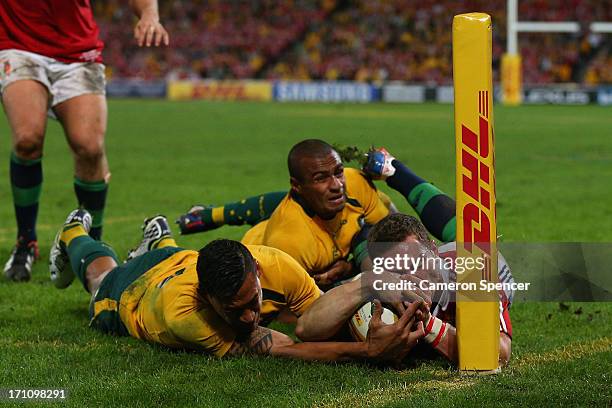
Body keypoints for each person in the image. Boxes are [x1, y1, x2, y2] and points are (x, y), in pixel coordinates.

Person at [48, 209, 425, 362]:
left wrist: (363, 289)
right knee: (100, 276)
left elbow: (315, 317)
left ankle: (159, 242)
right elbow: (287, 348)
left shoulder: (275, 262)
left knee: (177, 253)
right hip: (136, 293)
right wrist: (369, 351)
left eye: (253, 301)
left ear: (258, 271)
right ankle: (74, 234)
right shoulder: (184, 313)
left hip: (182, 260)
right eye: (234, 310)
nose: (250, 316)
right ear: (207, 298)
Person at [0, 0, 169, 281]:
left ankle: (91, 243)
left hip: (77, 52)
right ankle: (26, 242)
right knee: (27, 138)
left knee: (89, 148)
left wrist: (149, 14)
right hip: (19, 45)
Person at [177, 141, 456, 286]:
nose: (336, 185)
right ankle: (164, 242)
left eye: (337, 173)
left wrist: (353, 264)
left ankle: (211, 215)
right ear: (298, 186)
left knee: (374, 229)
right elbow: (289, 311)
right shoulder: (288, 243)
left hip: (332, 235)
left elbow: (391, 234)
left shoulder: (353, 182)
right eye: (322, 177)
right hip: (268, 244)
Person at [295, 213, 513, 366]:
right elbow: (306, 328)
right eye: (399, 271)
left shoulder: (473, 272)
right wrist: (367, 284)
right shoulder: (383, 284)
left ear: (433, 251)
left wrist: (428, 324)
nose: (412, 276)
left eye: (418, 261)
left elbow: (500, 353)